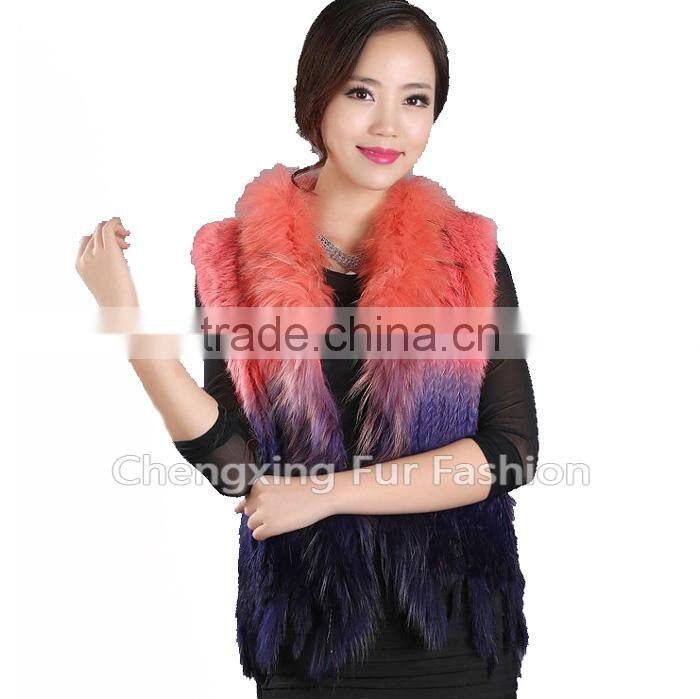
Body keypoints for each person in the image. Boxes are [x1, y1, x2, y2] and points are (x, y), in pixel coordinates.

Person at [75, 1, 538, 697]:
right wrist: (128, 324)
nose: (389, 125)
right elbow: (237, 470)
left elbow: (511, 451)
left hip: (456, 636)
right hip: (306, 633)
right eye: (361, 93)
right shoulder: (233, 257)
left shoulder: (468, 254)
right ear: (316, 97)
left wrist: (323, 494)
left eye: (415, 100)